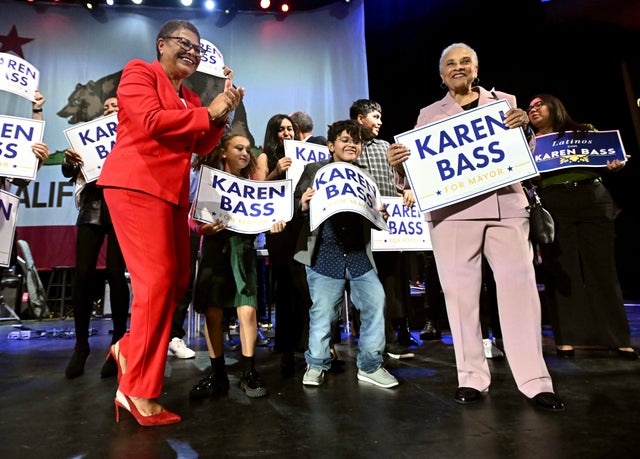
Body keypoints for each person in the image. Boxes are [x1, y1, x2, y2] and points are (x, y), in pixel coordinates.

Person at [387, 43, 564, 410]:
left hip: (505, 208)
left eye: (465, 61)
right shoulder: (427, 115)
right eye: (450, 64)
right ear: (441, 75)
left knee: (520, 294)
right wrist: (400, 164)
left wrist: (526, 132)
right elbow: (420, 173)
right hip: (452, 216)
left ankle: (535, 380)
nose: (458, 67)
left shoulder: (505, 102)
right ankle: (471, 378)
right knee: (460, 299)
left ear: (476, 67)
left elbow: (525, 157)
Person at [96, 19, 244, 426]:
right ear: (161, 45)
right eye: (185, 44)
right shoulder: (139, 72)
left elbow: (197, 144)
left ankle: (129, 347)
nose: (192, 52)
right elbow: (150, 122)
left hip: (173, 194)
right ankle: (136, 390)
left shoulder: (191, 95)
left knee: (177, 281)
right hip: (136, 186)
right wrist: (207, 114)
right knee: (156, 282)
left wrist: (219, 117)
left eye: (198, 49)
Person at [526, 93, 637, 359]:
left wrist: (615, 164)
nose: (533, 110)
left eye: (539, 104)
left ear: (555, 106)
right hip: (554, 202)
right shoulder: (529, 142)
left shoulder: (584, 132)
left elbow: (609, 156)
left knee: (603, 269)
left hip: (592, 199)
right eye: (529, 108)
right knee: (562, 271)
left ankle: (618, 339)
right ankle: (567, 339)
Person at [293, 119, 398, 389]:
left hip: (358, 255)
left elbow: (375, 210)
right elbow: (292, 205)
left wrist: (380, 213)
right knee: (324, 313)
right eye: (345, 140)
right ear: (331, 146)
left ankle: (371, 366)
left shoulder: (365, 176)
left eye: (357, 141)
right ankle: (316, 364)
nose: (352, 144)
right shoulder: (315, 170)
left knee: (376, 303)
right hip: (324, 253)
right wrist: (302, 204)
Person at [188, 134, 284, 399]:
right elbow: (193, 219)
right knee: (213, 312)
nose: (244, 153)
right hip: (214, 249)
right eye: (237, 148)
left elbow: (270, 215)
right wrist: (202, 227)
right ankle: (218, 374)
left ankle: (248, 371)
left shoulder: (255, 185)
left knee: (248, 311)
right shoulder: (210, 182)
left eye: (246, 149)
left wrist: (274, 223)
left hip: (242, 250)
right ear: (223, 152)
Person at [62, 97, 130, 379]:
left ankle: (117, 345)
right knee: (83, 274)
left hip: (122, 207)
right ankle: (81, 346)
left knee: (116, 274)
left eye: (115, 107)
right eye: (106, 108)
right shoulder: (85, 136)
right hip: (92, 205)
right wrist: (69, 161)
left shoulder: (132, 134)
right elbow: (68, 173)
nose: (110, 110)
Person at [349, 99, 416, 359]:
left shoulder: (386, 146)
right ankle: (369, 340)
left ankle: (390, 340)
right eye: (375, 116)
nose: (380, 121)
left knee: (390, 282)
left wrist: (407, 189)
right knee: (365, 284)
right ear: (359, 118)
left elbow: (400, 179)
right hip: (360, 224)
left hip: (389, 225)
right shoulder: (350, 147)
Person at [255, 114, 311, 374]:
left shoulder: (304, 155)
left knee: (304, 284)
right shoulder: (266, 157)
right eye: (281, 129)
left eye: (290, 128)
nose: (287, 133)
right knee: (285, 284)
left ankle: (305, 343)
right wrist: (278, 171)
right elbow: (258, 188)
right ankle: (285, 345)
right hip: (278, 227)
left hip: (301, 224)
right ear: (273, 133)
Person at [167, 155, 199, 360]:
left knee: (186, 277)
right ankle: (153, 335)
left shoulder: (208, 146)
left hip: (194, 211)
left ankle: (174, 336)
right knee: (162, 276)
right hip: (165, 206)